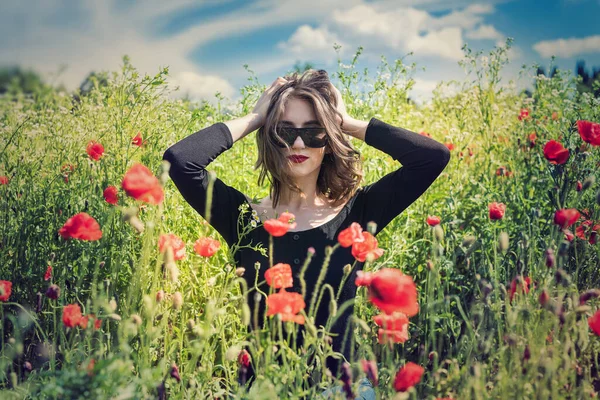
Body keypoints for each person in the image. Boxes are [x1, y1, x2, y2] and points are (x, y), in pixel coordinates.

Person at [162, 69, 451, 398]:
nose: (298, 143)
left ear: (328, 141)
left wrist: (345, 121)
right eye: (284, 131)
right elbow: (181, 161)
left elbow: (432, 158)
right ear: (271, 138)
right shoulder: (241, 217)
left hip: (341, 389)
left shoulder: (359, 212)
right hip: (263, 389)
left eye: (314, 132)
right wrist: (256, 117)